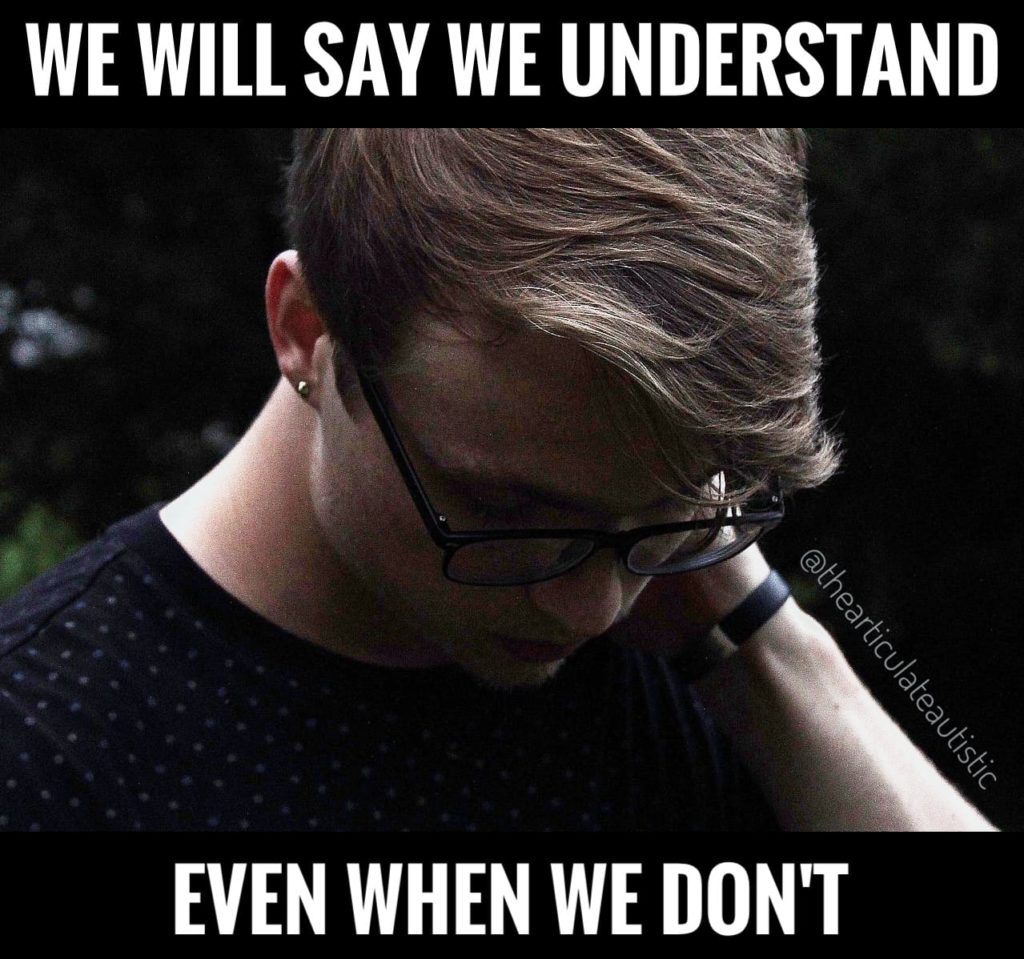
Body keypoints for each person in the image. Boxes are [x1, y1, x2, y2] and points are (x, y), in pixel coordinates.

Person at [0, 129, 995, 832]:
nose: (591, 605)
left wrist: (764, 641)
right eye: (507, 508)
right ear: (308, 330)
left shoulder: (714, 671)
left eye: (671, 505)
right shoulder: (48, 743)